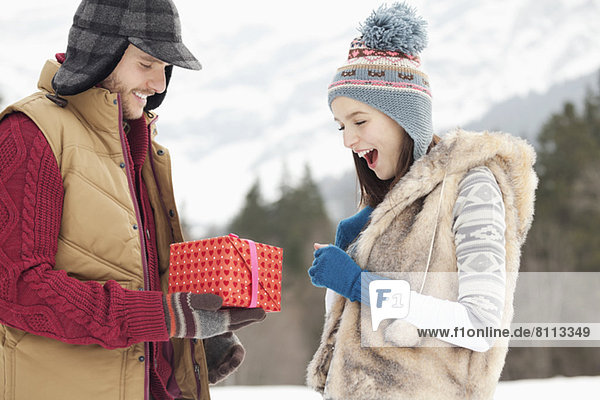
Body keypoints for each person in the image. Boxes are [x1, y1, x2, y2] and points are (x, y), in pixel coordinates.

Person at [0, 1, 266, 399]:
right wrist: (163, 317)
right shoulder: (32, 133)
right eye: (146, 64)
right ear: (100, 53)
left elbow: (131, 268)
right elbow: (16, 288)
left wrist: (190, 333)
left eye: (165, 68)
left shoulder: (142, 146)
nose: (159, 84)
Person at [306, 3, 537, 399]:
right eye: (341, 126)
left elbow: (481, 326)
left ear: (404, 117)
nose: (348, 140)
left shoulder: (473, 187)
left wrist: (359, 283)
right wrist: (345, 277)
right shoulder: (379, 215)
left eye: (360, 121)